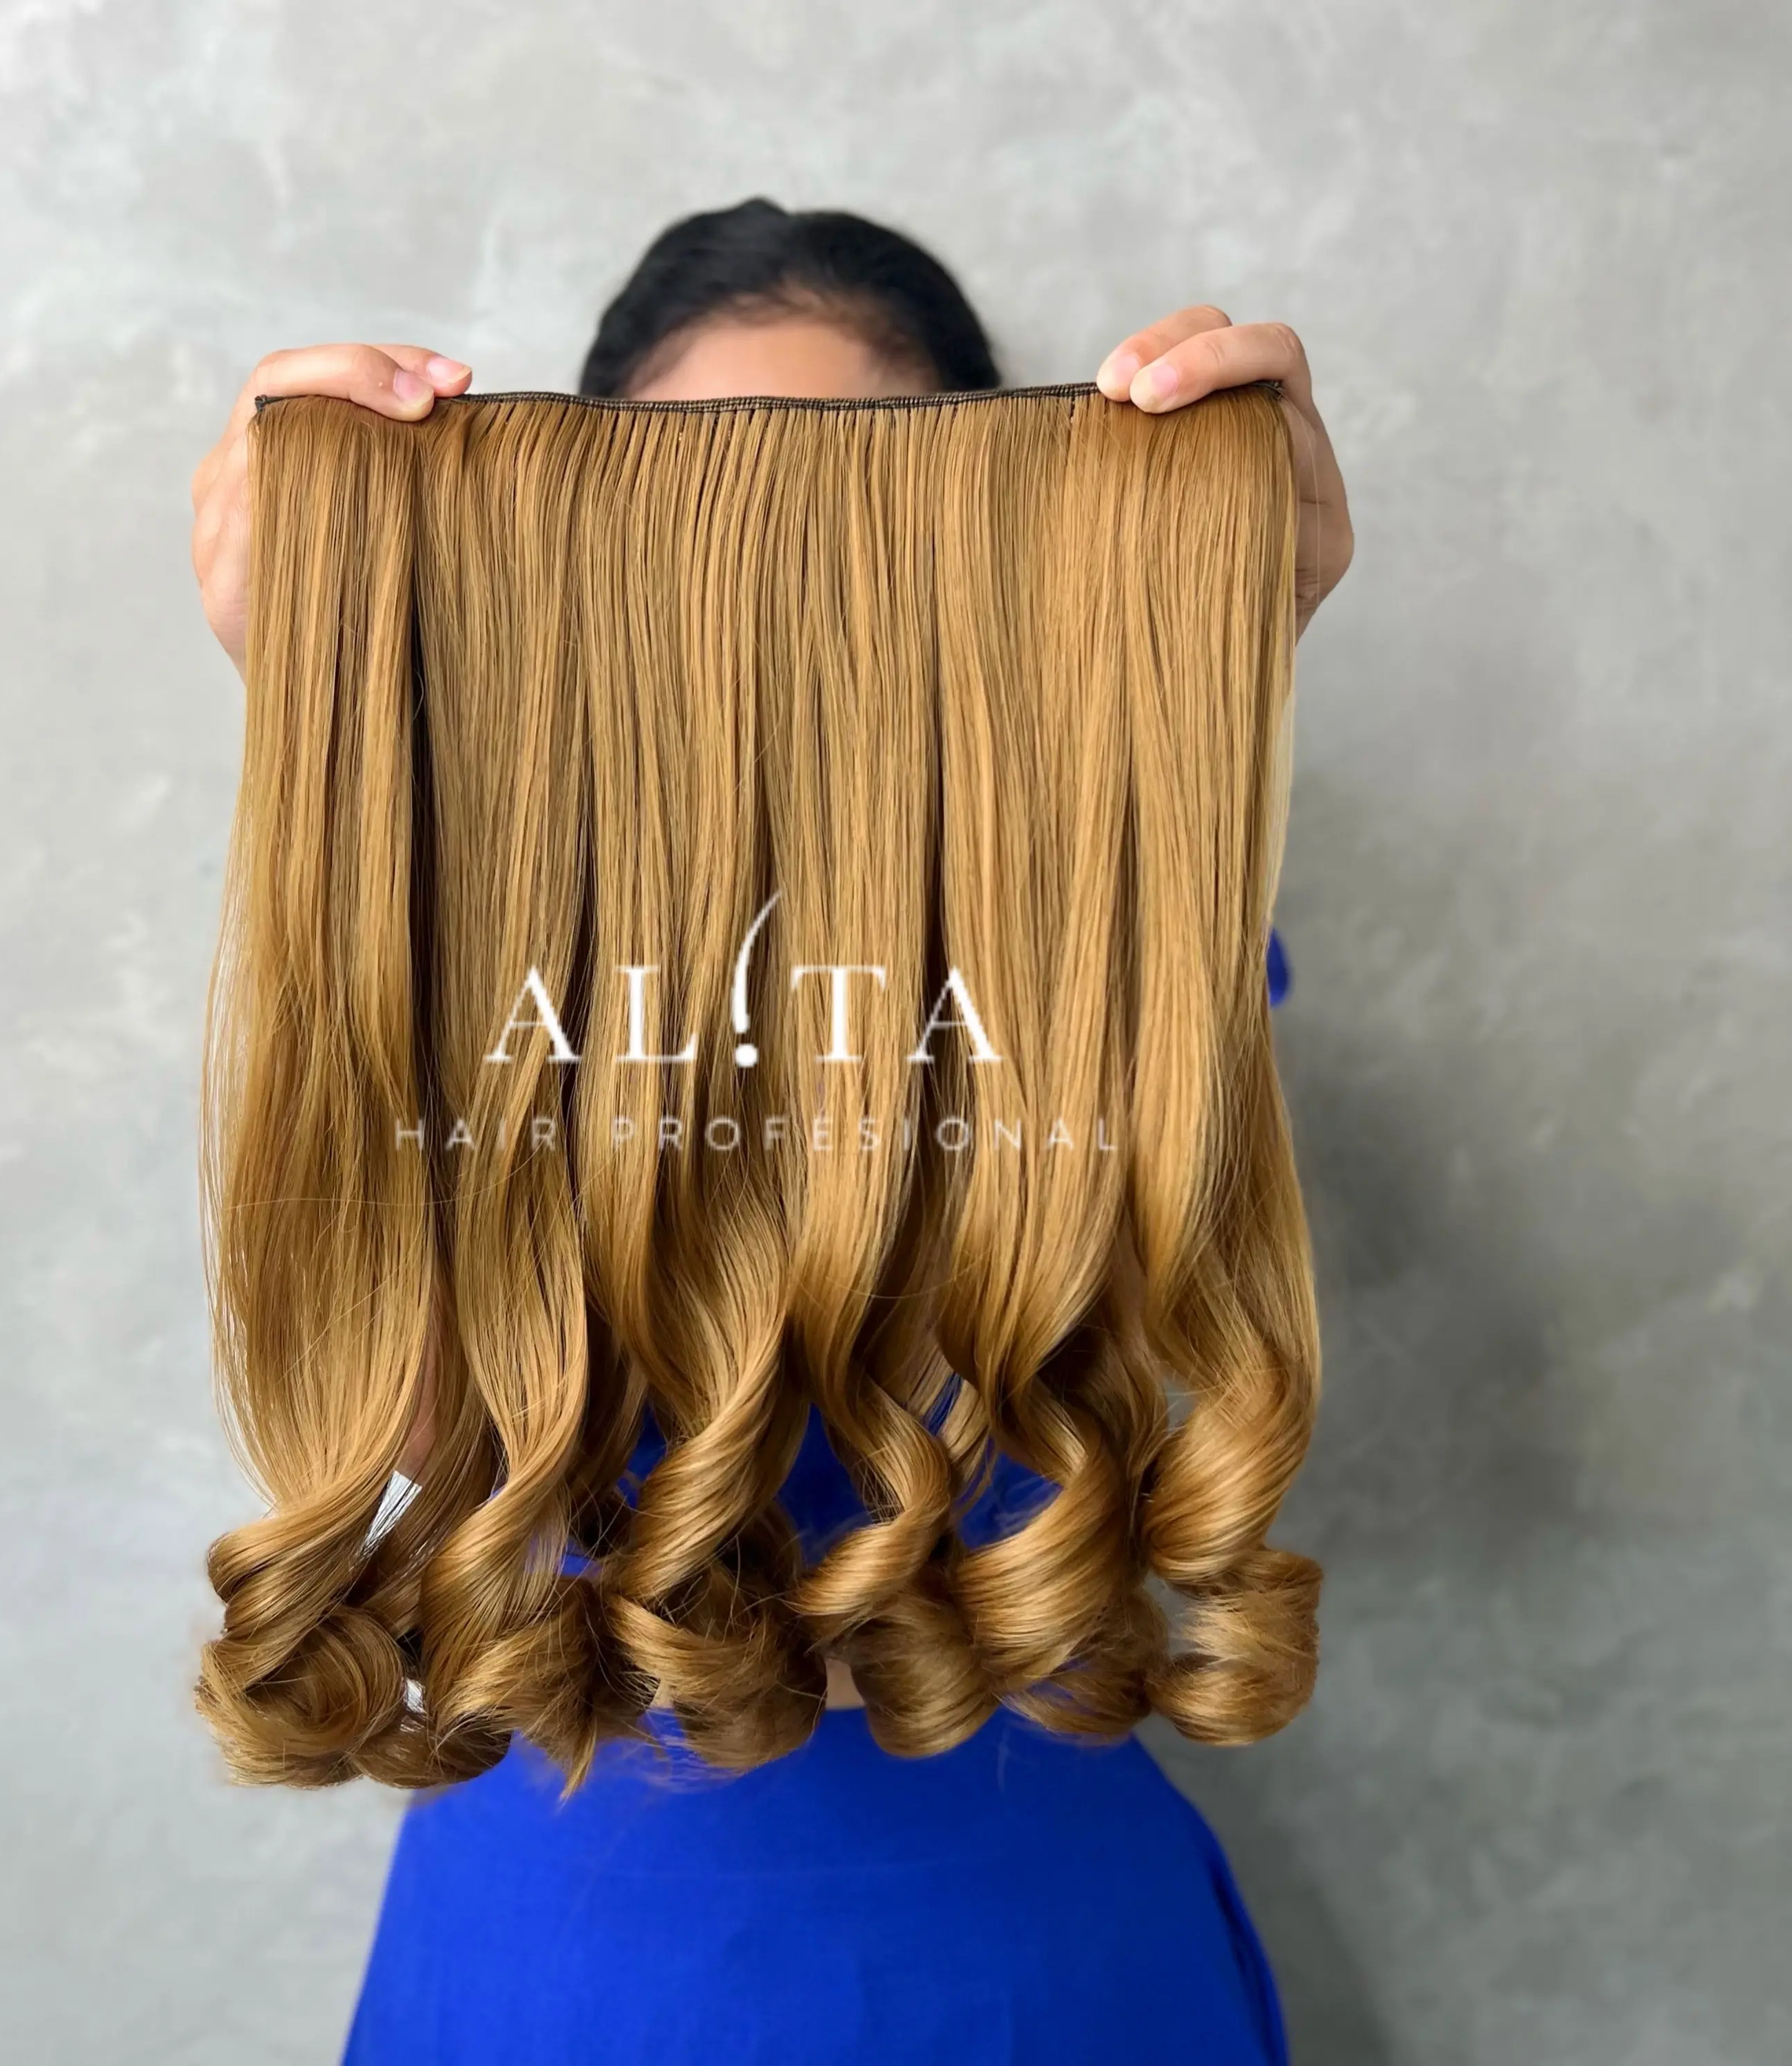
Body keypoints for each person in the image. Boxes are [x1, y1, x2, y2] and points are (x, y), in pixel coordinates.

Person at [188, 198, 1353, 2066]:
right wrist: (332, 715)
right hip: (569, 1967)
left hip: (1040, 1965)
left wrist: (1213, 669)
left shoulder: (1117, 950)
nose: (768, 626)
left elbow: (1136, 1334)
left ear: (988, 565)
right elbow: (416, 1426)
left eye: (843, 533)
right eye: (696, 536)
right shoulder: (474, 964)